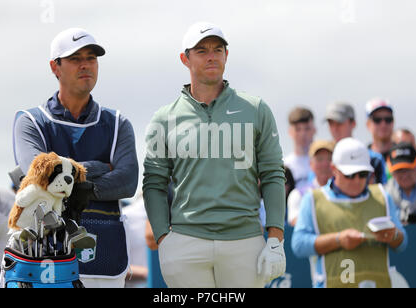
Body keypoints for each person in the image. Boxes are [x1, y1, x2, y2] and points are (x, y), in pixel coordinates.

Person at [143, 21, 286, 288]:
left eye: (217, 49)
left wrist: (276, 236)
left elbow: (273, 173)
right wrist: (163, 237)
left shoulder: (256, 109)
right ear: (185, 59)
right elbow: (153, 182)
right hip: (186, 241)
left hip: (244, 240)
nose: (212, 56)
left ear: (226, 55)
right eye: (202, 50)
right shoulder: (164, 118)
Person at [12, 28, 139, 288]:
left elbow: (127, 182)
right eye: (74, 58)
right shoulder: (30, 121)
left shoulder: (117, 123)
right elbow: (40, 176)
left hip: (105, 252)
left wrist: (72, 182)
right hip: (42, 255)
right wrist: (101, 168)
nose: (85, 65)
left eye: (91, 58)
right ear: (54, 67)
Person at [291, 137, 407, 288]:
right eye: (350, 175)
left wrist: (393, 235)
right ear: (334, 169)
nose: (357, 180)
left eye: (363, 174)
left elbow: (402, 243)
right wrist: (339, 240)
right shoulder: (313, 199)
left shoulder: (383, 196)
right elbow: (298, 244)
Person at [325, 101, 386, 184]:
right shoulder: (321, 158)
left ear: (353, 123)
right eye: (331, 123)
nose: (335, 128)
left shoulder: (374, 159)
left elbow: (382, 191)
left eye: (339, 123)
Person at [287, 140, 334, 227]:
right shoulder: (298, 194)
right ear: (311, 164)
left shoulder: (347, 192)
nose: (325, 164)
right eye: (319, 159)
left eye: (329, 159)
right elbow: (295, 221)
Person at [385, 142, 416, 224]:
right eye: (399, 170)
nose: (404, 174)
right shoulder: (383, 196)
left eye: (408, 169)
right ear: (391, 172)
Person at [284, 107, 316, 190]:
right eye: (298, 129)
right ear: (290, 132)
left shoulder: (325, 163)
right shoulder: (284, 165)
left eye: (307, 128)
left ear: (314, 130)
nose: (303, 134)